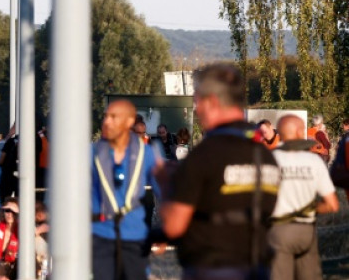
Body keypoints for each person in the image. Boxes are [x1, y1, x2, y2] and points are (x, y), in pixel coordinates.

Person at [159, 63, 281, 280]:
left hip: (212, 268)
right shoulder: (264, 155)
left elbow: (173, 226)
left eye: (197, 102)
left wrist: (166, 184)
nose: (196, 110)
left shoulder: (204, 156)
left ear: (212, 102)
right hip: (258, 268)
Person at [91, 98, 164, 280]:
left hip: (134, 236)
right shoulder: (91, 153)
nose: (106, 122)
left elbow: (165, 192)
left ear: (129, 122)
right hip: (99, 236)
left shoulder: (146, 153)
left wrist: (164, 230)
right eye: (106, 116)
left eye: (113, 117)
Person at [267, 114, 339, 280]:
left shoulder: (269, 159)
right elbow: (333, 205)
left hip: (278, 230)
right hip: (306, 230)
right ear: (301, 132)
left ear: (280, 134)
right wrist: (309, 209)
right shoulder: (313, 162)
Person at [0, 123, 19, 203]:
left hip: (7, 175)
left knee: (5, 199)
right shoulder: (33, 141)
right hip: (21, 175)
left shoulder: (10, 142)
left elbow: (1, 161)